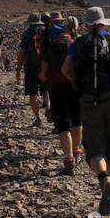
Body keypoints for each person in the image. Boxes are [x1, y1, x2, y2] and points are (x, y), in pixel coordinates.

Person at [65, 6, 110, 215]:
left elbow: (65, 69)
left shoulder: (78, 44)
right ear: (103, 23)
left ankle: (104, 178)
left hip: (89, 102)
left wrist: (79, 86)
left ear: (87, 24)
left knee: (93, 148)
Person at [38, 11, 81, 173]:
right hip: (75, 87)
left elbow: (42, 75)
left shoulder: (52, 46)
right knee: (77, 121)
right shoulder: (75, 45)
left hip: (56, 89)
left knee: (63, 125)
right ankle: (77, 151)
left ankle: (68, 160)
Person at [16, 13, 50, 126]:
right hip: (45, 65)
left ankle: (38, 118)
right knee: (45, 90)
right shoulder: (46, 31)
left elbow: (22, 52)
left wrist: (18, 68)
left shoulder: (26, 34)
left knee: (33, 94)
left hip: (31, 66)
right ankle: (48, 108)